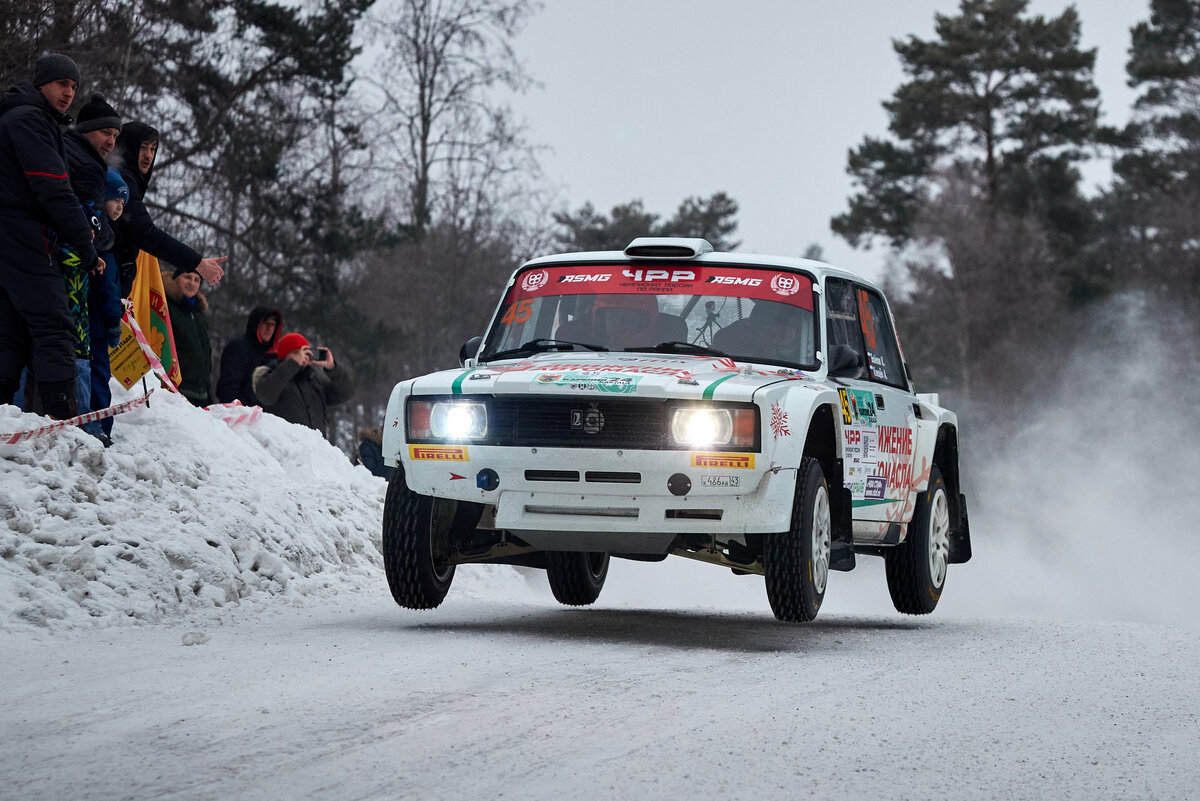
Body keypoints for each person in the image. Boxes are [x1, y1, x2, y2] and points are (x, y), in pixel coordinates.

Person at [0, 54, 104, 419]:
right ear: (42, 82)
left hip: (14, 234)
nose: (69, 93)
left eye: (74, 87)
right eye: (62, 84)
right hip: (24, 235)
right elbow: (55, 190)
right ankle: (63, 422)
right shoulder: (29, 120)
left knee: (11, 332)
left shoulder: (23, 117)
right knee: (56, 327)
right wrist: (86, 248)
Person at [109, 120, 225, 297]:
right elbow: (145, 233)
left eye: (153, 149)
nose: (148, 156)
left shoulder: (130, 179)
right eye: (143, 148)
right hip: (106, 279)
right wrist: (197, 263)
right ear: (128, 147)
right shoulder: (121, 180)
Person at [252, 332, 354, 439]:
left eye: (305, 352)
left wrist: (333, 368)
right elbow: (266, 396)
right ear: (284, 356)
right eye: (296, 353)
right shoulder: (272, 378)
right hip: (286, 450)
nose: (302, 356)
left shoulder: (315, 381)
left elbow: (345, 393)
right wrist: (293, 364)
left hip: (316, 451)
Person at [162, 268, 212, 406]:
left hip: (201, 392)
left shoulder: (199, 314)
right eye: (187, 277)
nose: (192, 283)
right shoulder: (166, 306)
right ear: (176, 279)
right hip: (177, 389)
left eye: (197, 280)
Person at [216, 306, 282, 405]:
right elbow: (228, 389)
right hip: (239, 414)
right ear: (256, 324)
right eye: (266, 323)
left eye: (273, 324)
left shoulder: (273, 356)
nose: (269, 328)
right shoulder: (238, 348)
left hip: (263, 416)